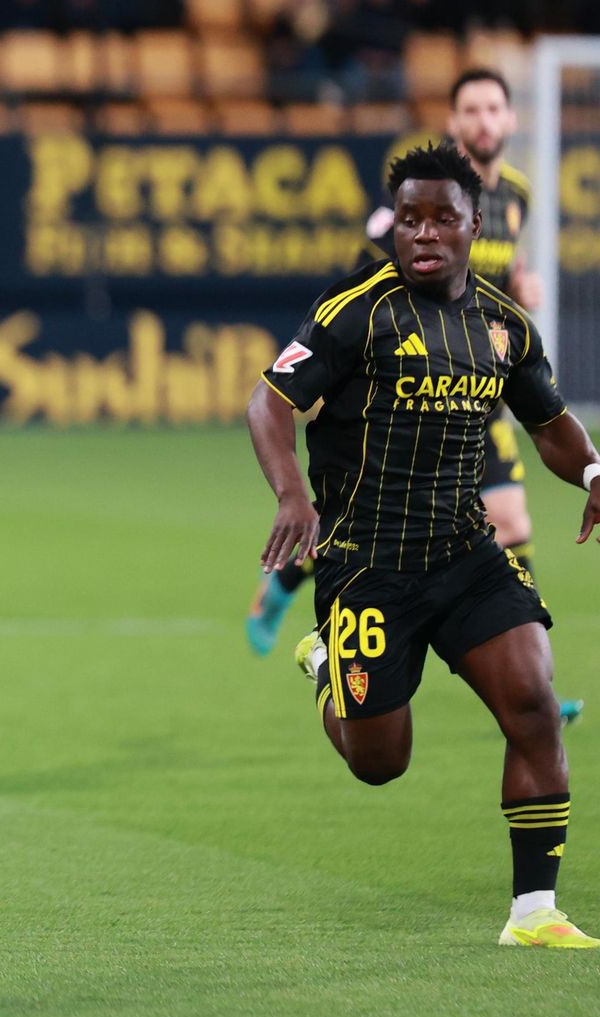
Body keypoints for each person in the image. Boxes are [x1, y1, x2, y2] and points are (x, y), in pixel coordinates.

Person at [246, 142, 600, 947]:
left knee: (536, 707)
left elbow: (549, 424)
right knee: (380, 762)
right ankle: (329, 664)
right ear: (393, 226)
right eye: (410, 218)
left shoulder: (503, 326)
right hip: (367, 564)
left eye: (444, 217)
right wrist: (292, 494)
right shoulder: (352, 313)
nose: (425, 232)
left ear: (477, 223)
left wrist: (591, 473)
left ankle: (533, 912)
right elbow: (268, 405)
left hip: (466, 554)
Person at [247, 69, 582, 725]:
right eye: (471, 110)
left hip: (479, 401)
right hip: (402, 396)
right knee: (378, 518)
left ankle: (529, 677)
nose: (484, 121)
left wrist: (522, 284)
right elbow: (373, 286)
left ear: (509, 121)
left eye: (494, 108)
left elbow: (497, 273)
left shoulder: (514, 196)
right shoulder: (414, 205)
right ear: (455, 123)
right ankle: (302, 604)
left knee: (507, 526)